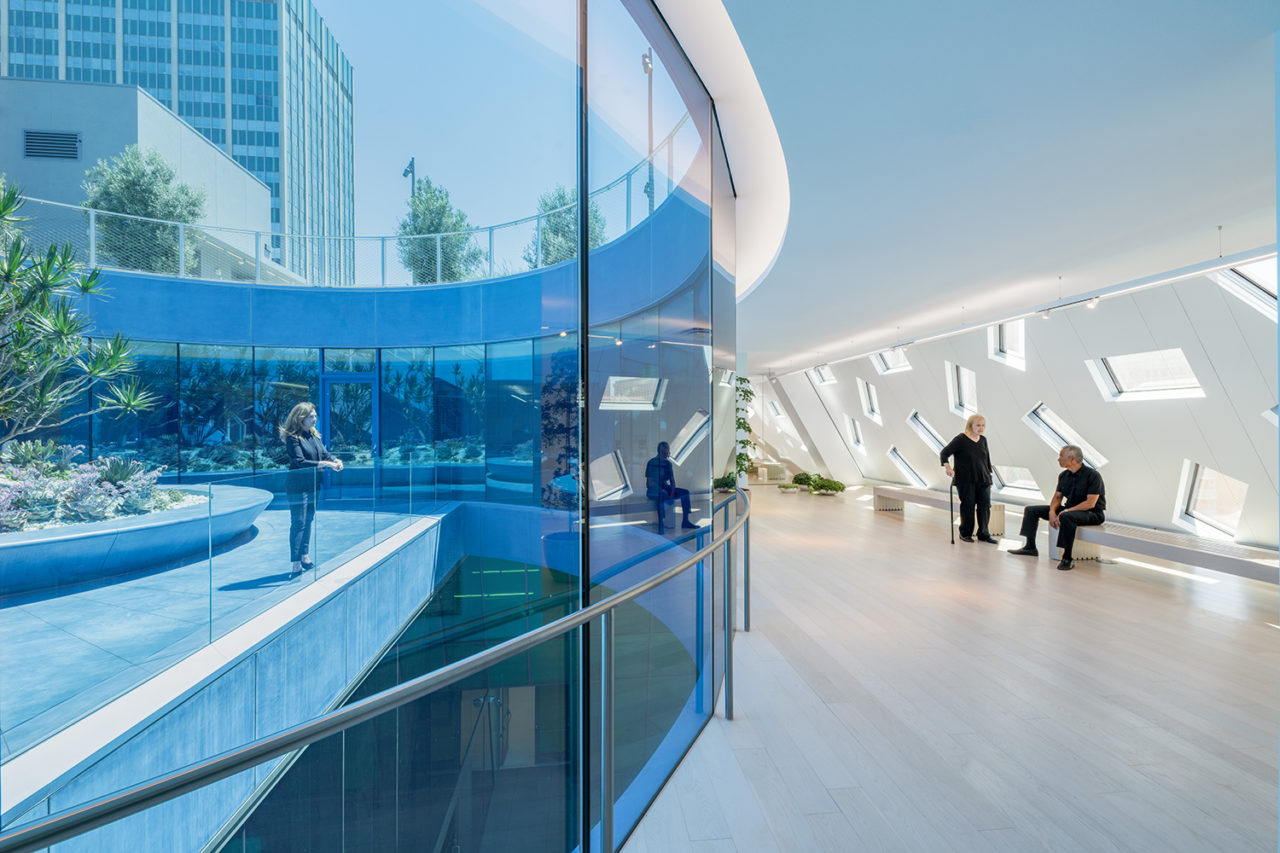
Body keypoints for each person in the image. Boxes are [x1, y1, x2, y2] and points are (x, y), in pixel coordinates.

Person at [1008, 445, 1105, 571]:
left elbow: (1090, 503)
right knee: (1031, 510)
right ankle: (1030, 547)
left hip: (1092, 514)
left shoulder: (1093, 475)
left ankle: (1067, 558)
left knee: (1066, 516)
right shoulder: (1064, 475)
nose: (1058, 459)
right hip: (1070, 511)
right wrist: (1052, 512)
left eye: (1061, 456)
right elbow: (1057, 497)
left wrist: (1066, 511)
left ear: (1072, 459)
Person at [281, 402, 343, 575]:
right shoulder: (293, 438)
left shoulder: (314, 436)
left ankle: (305, 556)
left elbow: (325, 454)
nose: (314, 418)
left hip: (313, 485)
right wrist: (325, 464)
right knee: (298, 521)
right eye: (311, 416)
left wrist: (336, 461)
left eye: (315, 416)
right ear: (300, 418)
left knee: (308, 520)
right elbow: (299, 462)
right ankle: (295, 562)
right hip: (297, 485)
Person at [939, 413, 997, 544]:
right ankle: (965, 533)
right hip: (965, 479)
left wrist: (990, 477)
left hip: (983, 479)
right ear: (971, 425)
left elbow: (987, 459)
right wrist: (948, 467)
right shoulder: (960, 439)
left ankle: (983, 534)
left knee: (985, 506)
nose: (981, 428)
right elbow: (944, 453)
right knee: (968, 506)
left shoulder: (983, 440)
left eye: (983, 425)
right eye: (978, 425)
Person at [645, 440, 696, 533]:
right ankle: (661, 524)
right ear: (662, 451)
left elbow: (672, 480)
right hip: (654, 490)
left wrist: (672, 491)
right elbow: (651, 483)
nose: (668, 452)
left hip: (665, 488)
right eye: (667, 450)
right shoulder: (651, 463)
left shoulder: (668, 464)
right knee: (660, 495)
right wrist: (662, 491)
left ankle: (685, 521)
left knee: (685, 492)